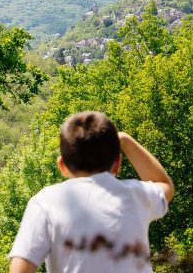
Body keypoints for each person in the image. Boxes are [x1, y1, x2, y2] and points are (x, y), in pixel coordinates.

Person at [9, 111, 174, 273]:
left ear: (62, 166)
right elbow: (164, 185)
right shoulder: (135, 195)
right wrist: (124, 140)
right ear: (117, 164)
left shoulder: (45, 203)